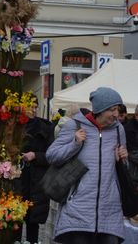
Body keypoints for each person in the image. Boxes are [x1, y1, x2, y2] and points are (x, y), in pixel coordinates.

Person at [46, 87, 129, 244]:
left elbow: (123, 170)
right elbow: (52, 156)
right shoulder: (75, 126)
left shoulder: (119, 130)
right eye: (112, 110)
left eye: (117, 109)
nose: (116, 114)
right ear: (100, 109)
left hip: (109, 211)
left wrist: (124, 158)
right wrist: (74, 144)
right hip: (78, 209)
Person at [19, 96, 54, 244]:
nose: (33, 110)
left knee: (33, 220)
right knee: (15, 217)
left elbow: (52, 155)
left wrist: (35, 155)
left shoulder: (45, 127)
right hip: (18, 178)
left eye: (35, 107)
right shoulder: (15, 125)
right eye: (30, 106)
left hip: (36, 180)